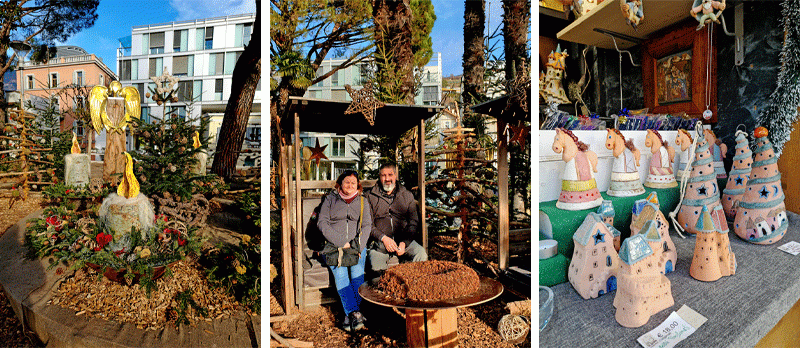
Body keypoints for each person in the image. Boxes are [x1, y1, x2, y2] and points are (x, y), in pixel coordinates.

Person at [317, 170, 372, 332]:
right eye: (346, 182)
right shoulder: (330, 200)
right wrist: (341, 242)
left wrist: (359, 246)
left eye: (353, 183)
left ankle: (350, 315)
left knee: (357, 277)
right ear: (340, 184)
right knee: (341, 276)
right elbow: (322, 223)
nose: (349, 185)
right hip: (335, 247)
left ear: (358, 185)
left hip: (356, 247)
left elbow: (367, 226)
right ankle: (356, 314)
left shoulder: (363, 201)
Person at [366, 163, 428, 279]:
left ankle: (413, 285)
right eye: (383, 175)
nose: (387, 179)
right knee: (376, 268)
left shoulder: (406, 195)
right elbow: (368, 224)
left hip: (403, 242)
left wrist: (405, 242)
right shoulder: (370, 196)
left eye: (390, 175)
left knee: (421, 254)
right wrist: (384, 238)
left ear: (396, 176)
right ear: (379, 177)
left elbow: (413, 222)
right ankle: (382, 294)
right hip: (380, 244)